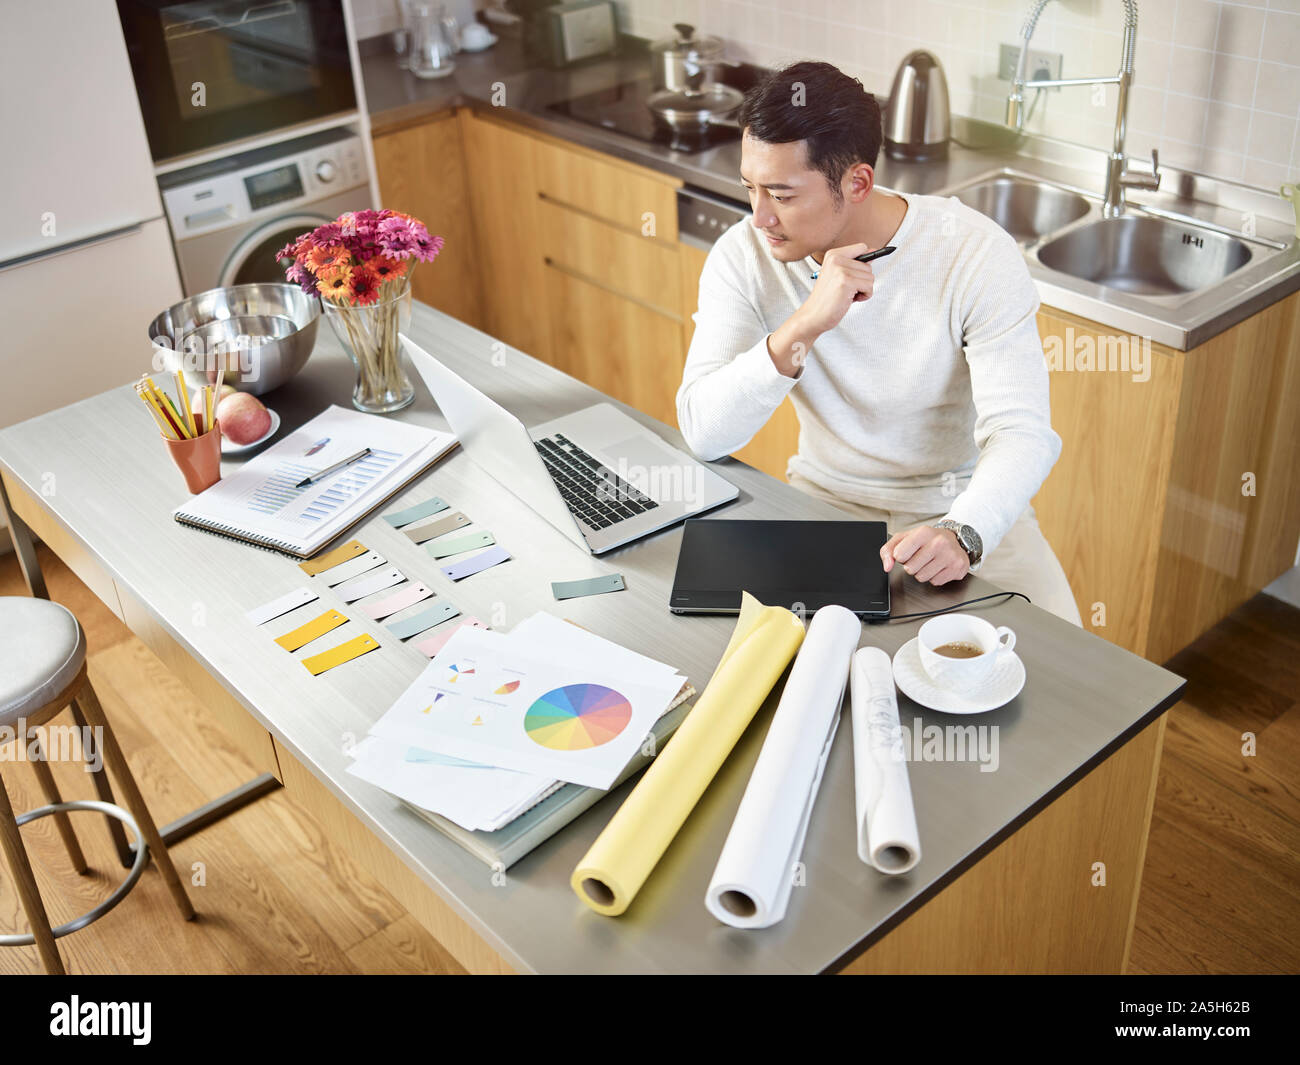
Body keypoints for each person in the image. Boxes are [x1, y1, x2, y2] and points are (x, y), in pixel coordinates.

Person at [676, 61, 1081, 625]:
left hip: (962, 509)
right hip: (825, 506)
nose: (759, 216)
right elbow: (704, 430)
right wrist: (805, 324)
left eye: (782, 194)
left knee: (1070, 670)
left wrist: (964, 531)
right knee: (809, 683)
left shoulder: (974, 253)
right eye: (750, 187)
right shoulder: (743, 257)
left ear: (857, 183)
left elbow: (1024, 433)